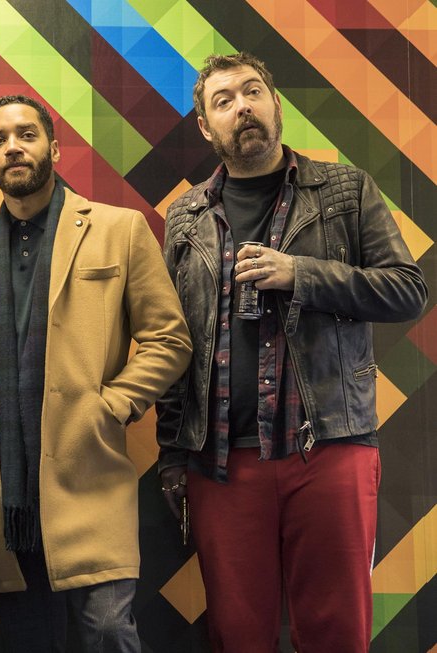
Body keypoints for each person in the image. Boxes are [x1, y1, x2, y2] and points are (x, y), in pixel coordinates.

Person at [156, 52, 428, 651]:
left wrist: (301, 273)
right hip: (221, 460)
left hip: (329, 447)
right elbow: (177, 343)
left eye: (253, 91)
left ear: (276, 104)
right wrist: (173, 452)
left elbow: (408, 291)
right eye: (223, 100)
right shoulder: (185, 217)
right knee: (238, 635)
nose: (242, 107)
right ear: (205, 126)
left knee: (337, 632)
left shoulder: (346, 189)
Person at [0, 95, 192, 652]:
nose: (13, 147)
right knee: (30, 642)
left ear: (54, 148)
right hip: (2, 494)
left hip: (88, 475)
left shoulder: (119, 229)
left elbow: (169, 339)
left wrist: (113, 405)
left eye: (26, 135)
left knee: (107, 631)